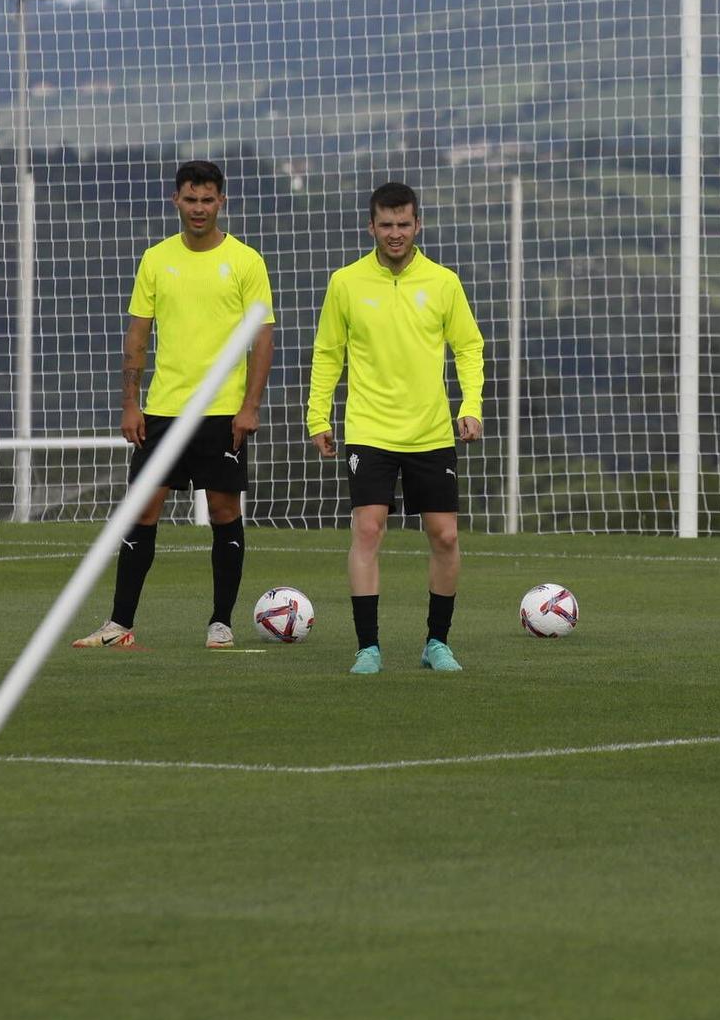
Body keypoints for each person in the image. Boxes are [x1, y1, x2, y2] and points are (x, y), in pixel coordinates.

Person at [71, 159, 275, 651]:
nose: (199, 208)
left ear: (221, 201)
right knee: (142, 510)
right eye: (191, 199)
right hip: (163, 411)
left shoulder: (245, 261)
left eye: (208, 200)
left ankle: (220, 623)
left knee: (225, 511)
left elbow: (263, 338)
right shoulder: (156, 259)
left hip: (222, 413)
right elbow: (137, 336)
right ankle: (120, 624)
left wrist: (250, 406)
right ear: (176, 201)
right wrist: (130, 403)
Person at [307, 181, 485, 674]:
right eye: (386, 225)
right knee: (368, 529)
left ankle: (436, 643)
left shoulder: (444, 282)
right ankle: (368, 647)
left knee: (445, 536)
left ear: (417, 225)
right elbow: (327, 354)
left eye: (403, 224)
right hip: (369, 430)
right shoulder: (345, 282)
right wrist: (317, 415)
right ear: (371, 227)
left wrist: (472, 405)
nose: (395, 233)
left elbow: (469, 347)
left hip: (431, 431)